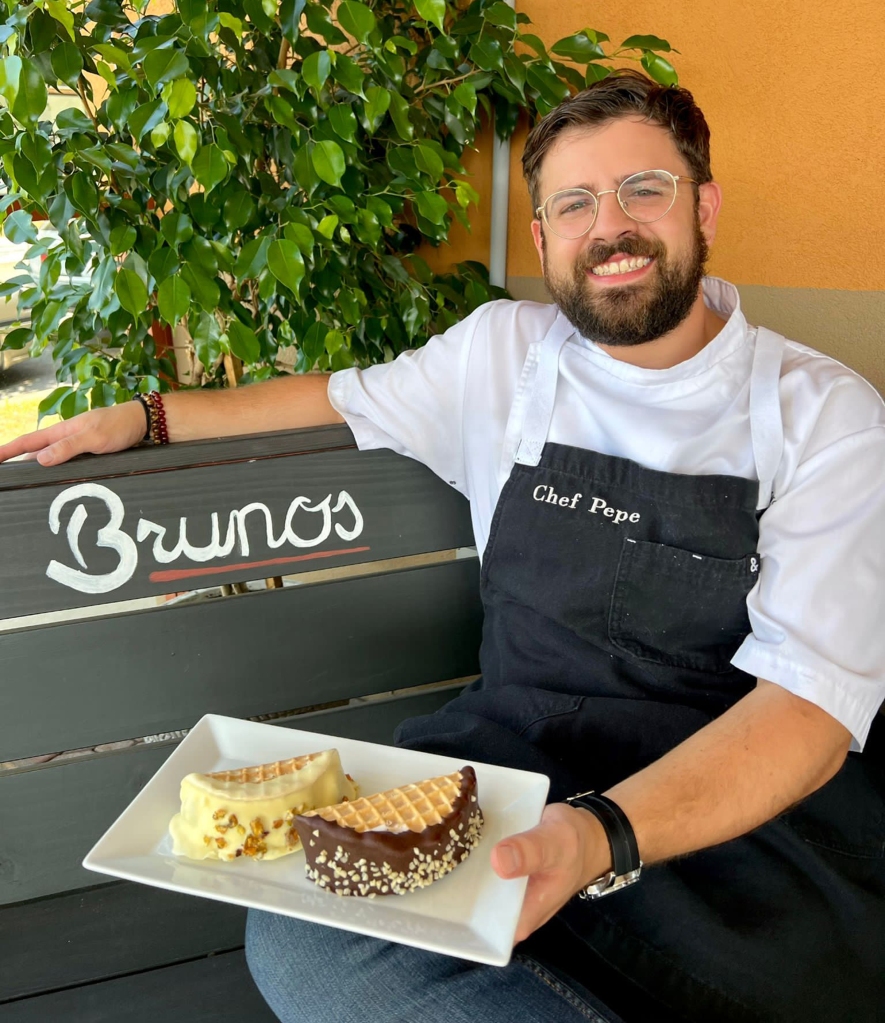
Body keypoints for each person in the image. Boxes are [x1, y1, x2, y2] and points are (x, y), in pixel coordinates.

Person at [2, 70, 883, 1023]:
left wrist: (597, 838)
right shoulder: (501, 353)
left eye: (644, 188)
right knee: (301, 931)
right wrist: (149, 415)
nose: (611, 227)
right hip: (508, 771)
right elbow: (335, 395)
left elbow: (806, 713)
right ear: (543, 237)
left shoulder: (823, 414)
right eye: (575, 203)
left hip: (731, 826)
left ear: (702, 203)